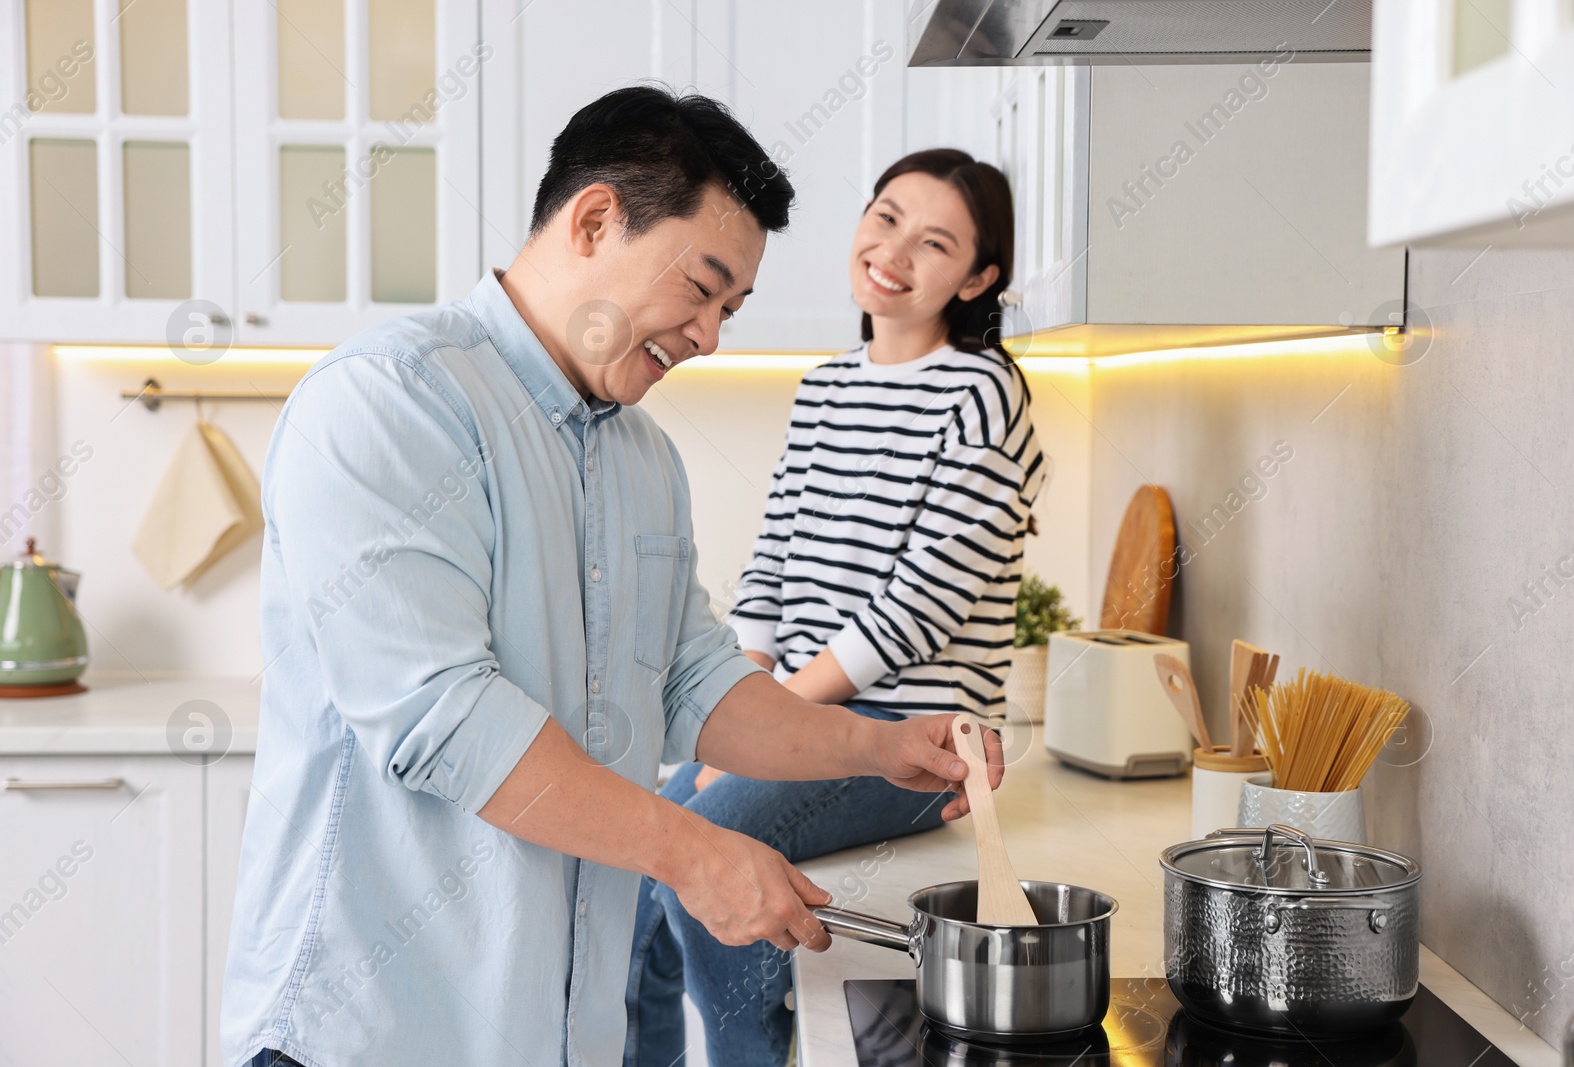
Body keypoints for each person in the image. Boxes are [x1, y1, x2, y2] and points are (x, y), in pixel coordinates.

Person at [220, 90, 1005, 1067]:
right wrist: (696, 851)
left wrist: (880, 747)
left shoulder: (643, 459)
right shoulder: (390, 401)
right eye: (702, 289)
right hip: (372, 1034)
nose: (710, 335)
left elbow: (693, 681)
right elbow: (442, 721)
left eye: (731, 308)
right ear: (593, 221)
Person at [625, 149, 1044, 1066]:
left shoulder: (982, 392)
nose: (893, 250)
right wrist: (732, 715)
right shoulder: (826, 387)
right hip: (802, 713)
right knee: (636, 871)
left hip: (915, 737)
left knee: (709, 842)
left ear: (977, 277)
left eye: (934, 242)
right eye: (884, 216)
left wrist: (768, 725)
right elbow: (771, 569)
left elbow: (917, 610)